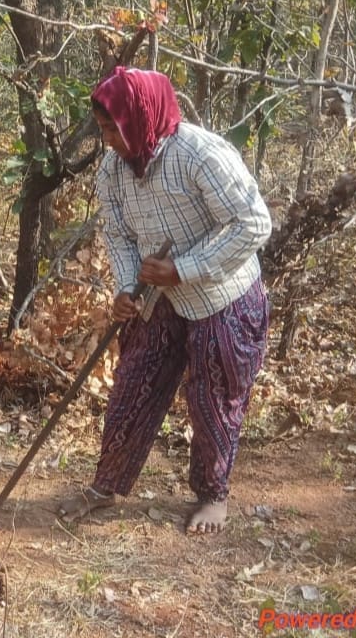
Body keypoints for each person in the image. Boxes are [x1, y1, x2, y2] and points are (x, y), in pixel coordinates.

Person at [58, 67, 271, 534]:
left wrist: (185, 268)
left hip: (223, 298)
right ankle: (105, 485)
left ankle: (213, 495)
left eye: (114, 128)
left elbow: (253, 225)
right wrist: (125, 288)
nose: (109, 139)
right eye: (103, 130)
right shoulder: (113, 169)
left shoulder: (200, 155)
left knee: (213, 397)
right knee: (133, 384)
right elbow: (117, 233)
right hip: (159, 298)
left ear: (141, 116)